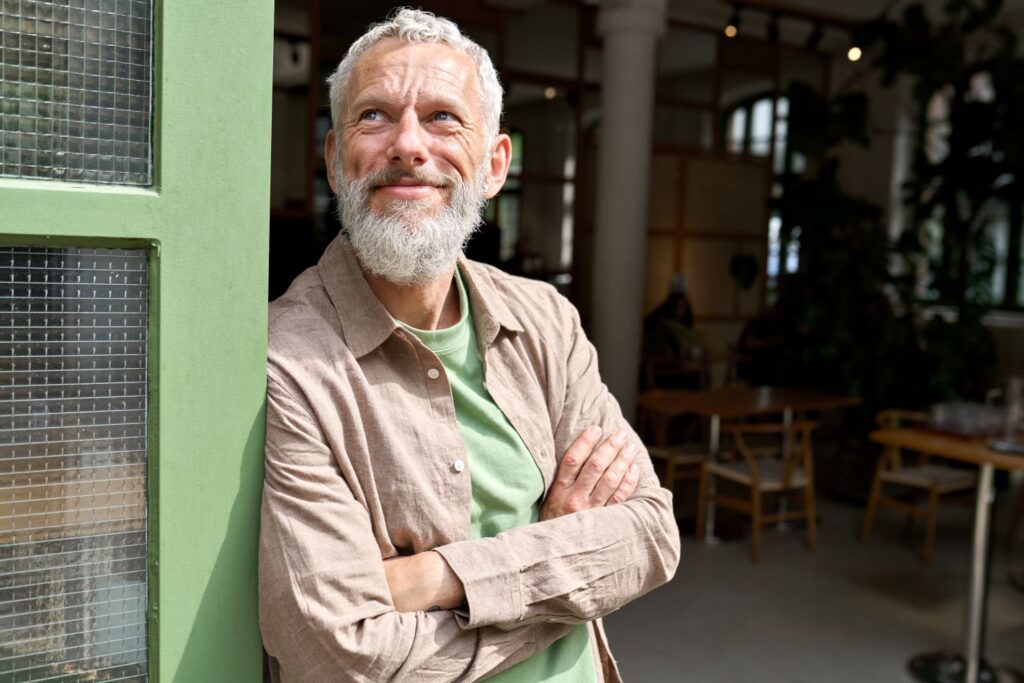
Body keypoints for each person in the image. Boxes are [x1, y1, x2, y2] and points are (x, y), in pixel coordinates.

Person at [259, 9, 680, 682]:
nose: (408, 145)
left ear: (494, 164)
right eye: (374, 116)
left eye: (443, 117)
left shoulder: (546, 319)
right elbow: (340, 657)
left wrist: (439, 575)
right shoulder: (286, 363)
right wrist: (556, 559)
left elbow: (653, 535)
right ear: (335, 163)